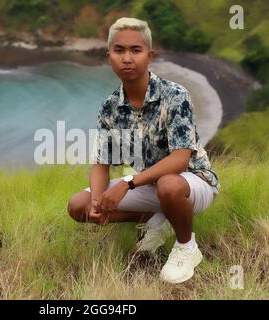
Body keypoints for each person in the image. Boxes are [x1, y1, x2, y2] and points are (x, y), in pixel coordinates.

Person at [66, 17, 220, 284]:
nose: (127, 58)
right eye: (119, 50)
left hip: (192, 183)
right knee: (77, 206)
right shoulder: (109, 108)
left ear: (150, 56)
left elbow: (181, 160)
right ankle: (156, 218)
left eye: (135, 50)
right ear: (109, 56)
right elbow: (102, 164)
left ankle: (186, 247)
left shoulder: (175, 95)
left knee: (169, 185)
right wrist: (96, 203)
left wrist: (128, 183)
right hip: (146, 187)